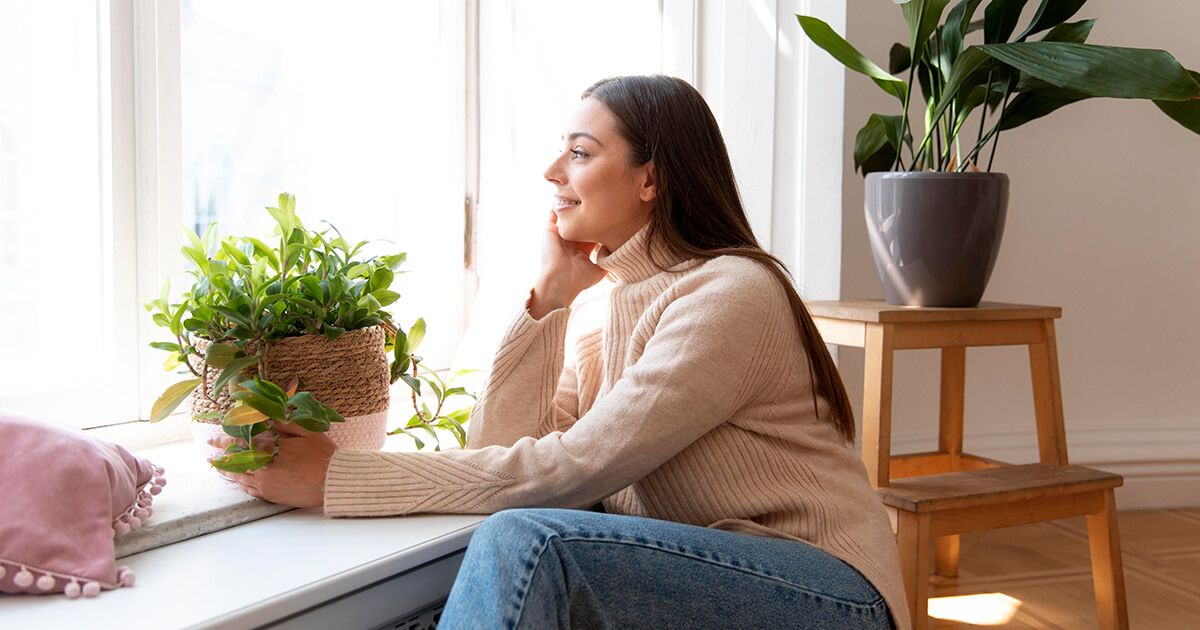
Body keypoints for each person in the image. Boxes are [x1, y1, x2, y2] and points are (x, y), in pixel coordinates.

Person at [216, 75, 908, 630]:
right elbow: (506, 444)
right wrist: (548, 299)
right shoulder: (603, 304)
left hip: (824, 591)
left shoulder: (729, 294)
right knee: (513, 539)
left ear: (651, 179)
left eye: (579, 152)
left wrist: (340, 477)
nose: (553, 171)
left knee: (533, 545)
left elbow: (571, 473)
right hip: (711, 569)